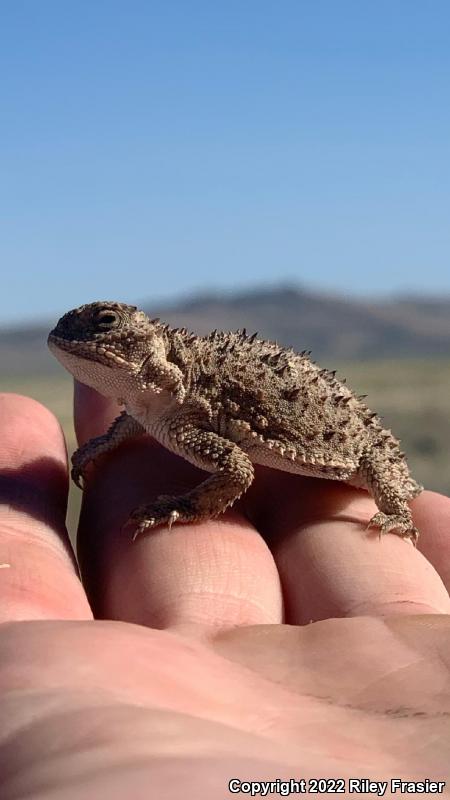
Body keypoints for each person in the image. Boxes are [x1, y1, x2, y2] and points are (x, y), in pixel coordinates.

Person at [1, 387, 449, 799]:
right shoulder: (154, 399)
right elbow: (137, 413)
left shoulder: (181, 401)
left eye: (106, 325)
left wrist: (186, 505)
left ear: (153, 353)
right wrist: (107, 442)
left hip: (353, 456)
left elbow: (237, 469)